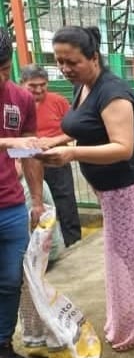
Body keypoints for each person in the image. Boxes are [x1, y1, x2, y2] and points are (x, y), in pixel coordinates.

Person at [36, 26, 134, 352]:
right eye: (59, 61)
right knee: (122, 258)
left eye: (72, 62)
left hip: (130, 187)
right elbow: (83, 125)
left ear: (94, 57)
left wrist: (71, 154)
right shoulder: (84, 86)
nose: (65, 68)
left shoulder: (113, 93)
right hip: (109, 190)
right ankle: (132, 319)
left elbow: (123, 147)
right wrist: (53, 141)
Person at [0, 27, 44, 358]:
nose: (0, 78)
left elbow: (28, 153)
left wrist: (37, 201)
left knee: (11, 279)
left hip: (11, 206)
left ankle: (2, 345)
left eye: (3, 69)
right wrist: (6, 143)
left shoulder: (21, 99)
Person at [20, 64, 82, 247]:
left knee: (66, 204)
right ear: (22, 83)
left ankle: (73, 244)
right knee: (35, 208)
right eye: (33, 86)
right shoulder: (16, 104)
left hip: (56, 162)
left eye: (43, 85)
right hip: (27, 164)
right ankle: (40, 248)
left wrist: (53, 141)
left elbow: (75, 130)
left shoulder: (58, 101)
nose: (39, 90)